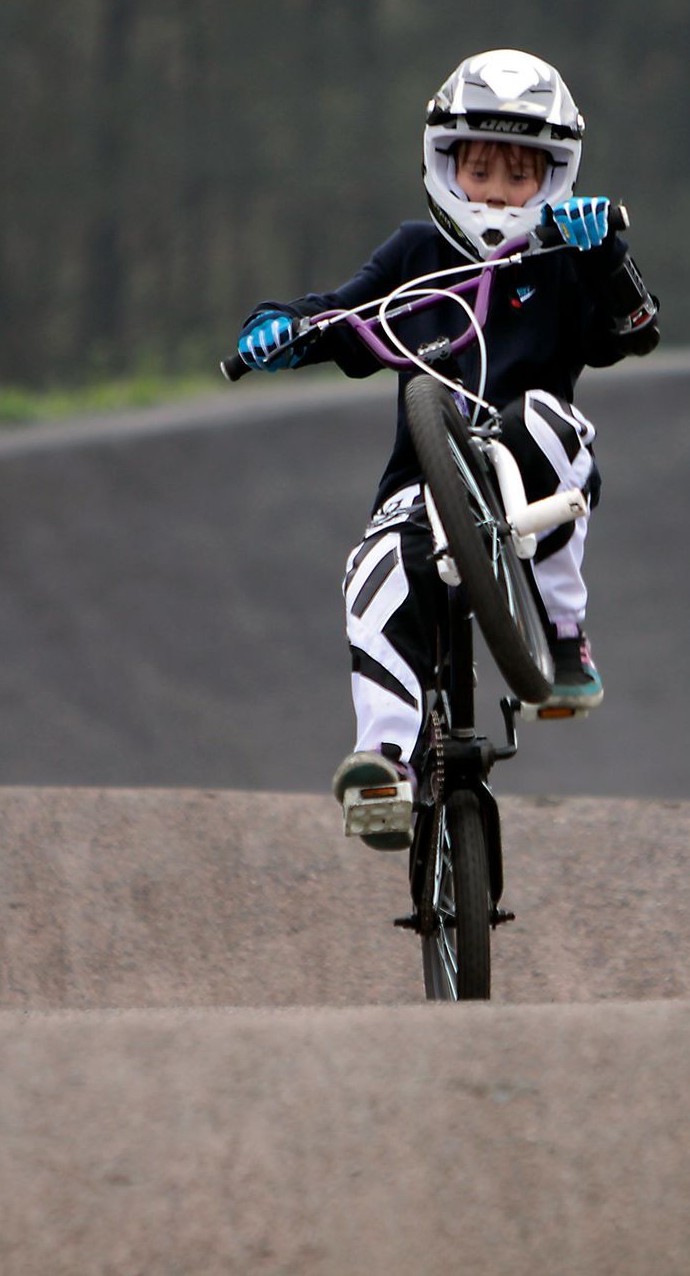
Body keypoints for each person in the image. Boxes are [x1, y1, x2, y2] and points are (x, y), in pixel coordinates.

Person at [235, 48, 661, 849]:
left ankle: (565, 636)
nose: (497, 192)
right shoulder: (413, 254)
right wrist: (281, 325)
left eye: (520, 174)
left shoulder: (566, 258)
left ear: (556, 178)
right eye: (480, 170)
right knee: (374, 566)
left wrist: (605, 256)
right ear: (445, 164)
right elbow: (341, 313)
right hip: (425, 486)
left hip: (532, 472)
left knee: (546, 418)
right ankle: (385, 762)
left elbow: (634, 331)